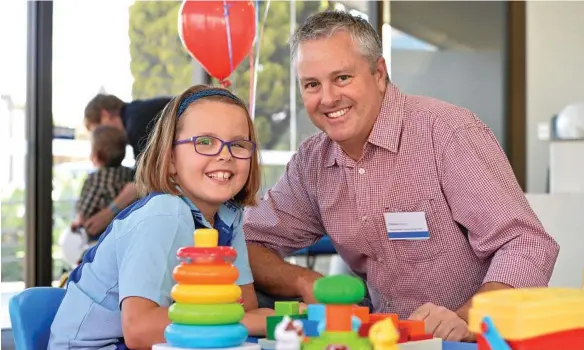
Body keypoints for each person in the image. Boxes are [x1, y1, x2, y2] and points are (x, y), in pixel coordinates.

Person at [243, 10, 560, 342]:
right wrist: (305, 282)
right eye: (312, 84)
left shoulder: (448, 133)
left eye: (342, 78)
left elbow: (526, 244)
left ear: (379, 73)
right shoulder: (312, 161)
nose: (328, 98)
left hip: (471, 341)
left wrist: (466, 320)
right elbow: (250, 241)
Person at [49, 85, 273, 350]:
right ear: (169, 160)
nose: (224, 154)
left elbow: (243, 305)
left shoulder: (229, 217)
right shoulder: (164, 214)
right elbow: (140, 331)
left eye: (237, 144)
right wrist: (248, 322)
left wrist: (249, 318)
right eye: (204, 142)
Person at [81, 93, 171, 236]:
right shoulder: (137, 114)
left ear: (105, 115)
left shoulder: (137, 124)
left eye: (98, 131)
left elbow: (145, 181)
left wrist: (108, 213)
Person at [70, 125, 135, 240]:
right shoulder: (130, 173)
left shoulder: (95, 179)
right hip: (124, 233)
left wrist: (79, 219)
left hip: (99, 235)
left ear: (96, 155)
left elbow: (85, 209)